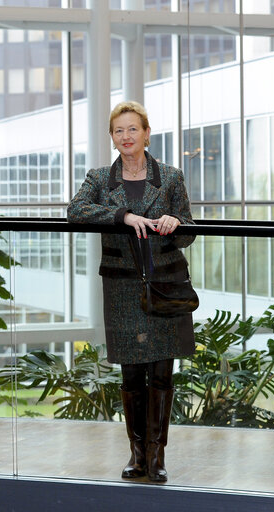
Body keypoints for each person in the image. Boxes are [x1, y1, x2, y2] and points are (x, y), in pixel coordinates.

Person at [66, 101, 196, 482]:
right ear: (112, 137)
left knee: (161, 373)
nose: (126, 137)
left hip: (166, 283)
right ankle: (137, 454)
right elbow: (75, 210)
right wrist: (122, 215)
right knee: (131, 376)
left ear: (146, 133)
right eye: (118, 131)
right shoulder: (99, 180)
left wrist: (175, 221)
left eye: (132, 129)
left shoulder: (170, 178)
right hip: (122, 287)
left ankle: (157, 457)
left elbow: (188, 233)